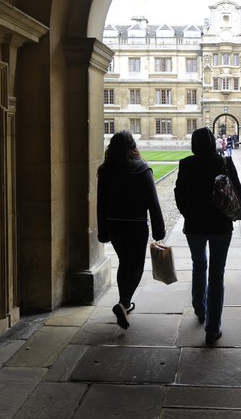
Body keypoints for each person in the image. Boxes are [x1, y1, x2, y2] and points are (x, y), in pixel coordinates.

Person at [174, 127, 241, 345]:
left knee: (198, 264)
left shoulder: (186, 164)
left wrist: (188, 214)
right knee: (216, 274)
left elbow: (179, 194)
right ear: (213, 141)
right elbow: (239, 196)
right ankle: (213, 328)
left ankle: (199, 308)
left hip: (194, 225)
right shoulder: (223, 162)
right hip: (221, 226)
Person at [96, 130, 166, 330]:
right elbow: (153, 202)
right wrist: (159, 231)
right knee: (136, 265)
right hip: (135, 223)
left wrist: (103, 231)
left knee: (124, 262)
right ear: (132, 147)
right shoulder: (142, 169)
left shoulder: (106, 170)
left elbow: (101, 203)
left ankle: (123, 303)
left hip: (114, 223)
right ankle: (124, 302)